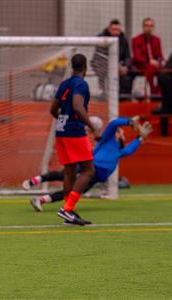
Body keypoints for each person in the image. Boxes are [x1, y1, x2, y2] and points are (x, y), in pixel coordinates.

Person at [25, 118, 152, 212]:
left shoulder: (119, 151)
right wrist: (129, 122)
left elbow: (129, 150)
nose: (123, 135)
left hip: (96, 176)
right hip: (90, 166)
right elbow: (114, 123)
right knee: (64, 175)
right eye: (122, 133)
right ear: (117, 134)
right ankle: (35, 180)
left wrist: (141, 137)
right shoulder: (107, 139)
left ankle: (41, 200)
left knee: (72, 191)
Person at [50, 54, 100, 225]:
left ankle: (67, 213)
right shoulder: (81, 84)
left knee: (70, 171)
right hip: (74, 132)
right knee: (88, 171)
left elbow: (52, 109)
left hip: (61, 131)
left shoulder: (65, 83)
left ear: (72, 66)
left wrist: (63, 120)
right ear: (85, 67)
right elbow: (77, 107)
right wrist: (94, 128)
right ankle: (68, 209)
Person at [91, 19, 134, 100]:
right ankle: (105, 94)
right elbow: (101, 55)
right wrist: (115, 66)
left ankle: (123, 97)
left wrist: (125, 66)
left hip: (119, 66)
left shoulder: (123, 40)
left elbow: (127, 57)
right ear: (109, 29)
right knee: (107, 72)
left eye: (118, 30)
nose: (116, 32)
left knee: (129, 73)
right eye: (114, 30)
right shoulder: (102, 38)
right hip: (102, 63)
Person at [132, 18, 165, 96]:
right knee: (151, 67)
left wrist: (160, 62)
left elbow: (159, 55)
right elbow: (137, 57)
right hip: (141, 65)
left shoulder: (157, 40)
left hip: (154, 65)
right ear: (143, 27)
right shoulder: (136, 40)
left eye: (151, 26)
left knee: (166, 69)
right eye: (146, 26)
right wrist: (149, 61)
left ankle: (160, 90)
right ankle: (152, 90)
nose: (149, 28)